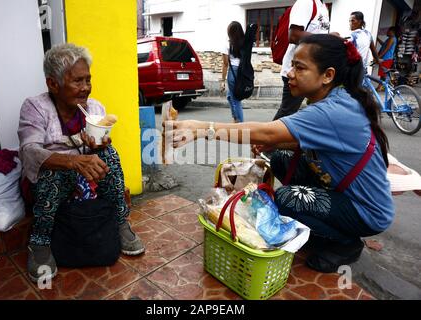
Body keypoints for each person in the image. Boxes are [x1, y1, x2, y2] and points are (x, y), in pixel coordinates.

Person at [169, 34, 394, 273]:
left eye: (299, 67)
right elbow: (307, 144)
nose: (289, 73)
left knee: (286, 198)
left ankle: (345, 243)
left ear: (327, 75)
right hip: (339, 189)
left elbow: (267, 133)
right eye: (292, 65)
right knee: (279, 158)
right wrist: (278, 145)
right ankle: (319, 224)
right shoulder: (334, 100)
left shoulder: (334, 110)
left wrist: (203, 128)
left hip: (365, 210)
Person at [18, 43, 145, 283]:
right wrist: (73, 162)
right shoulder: (35, 107)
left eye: (88, 80)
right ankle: (40, 241)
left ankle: (120, 222)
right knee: (51, 172)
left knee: (111, 155)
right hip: (50, 186)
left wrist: (100, 146)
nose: (86, 88)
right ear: (52, 84)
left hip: (85, 181)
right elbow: (29, 151)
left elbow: (100, 147)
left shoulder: (94, 108)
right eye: (78, 81)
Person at [274, 0, 331, 120]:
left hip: (316, 70)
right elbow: (294, 35)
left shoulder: (323, 6)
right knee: (287, 112)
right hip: (299, 71)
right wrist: (327, 38)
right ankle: (268, 137)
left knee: (317, 109)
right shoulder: (306, 2)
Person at [221, 21, 245, 123]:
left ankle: (240, 122)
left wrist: (222, 80)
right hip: (243, 71)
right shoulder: (245, 43)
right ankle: (235, 118)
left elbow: (225, 64)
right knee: (230, 96)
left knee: (235, 100)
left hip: (233, 72)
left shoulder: (227, 44)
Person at [376, 27, 397, 91]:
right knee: (383, 73)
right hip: (386, 58)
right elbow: (384, 45)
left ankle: (382, 87)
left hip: (386, 58)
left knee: (383, 74)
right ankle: (382, 86)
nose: (387, 32)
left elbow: (386, 49)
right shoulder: (389, 39)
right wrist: (377, 39)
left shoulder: (392, 39)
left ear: (392, 32)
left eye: (388, 31)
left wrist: (378, 57)